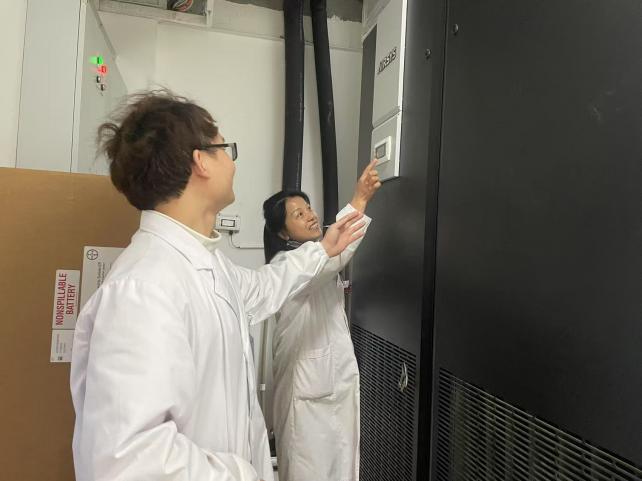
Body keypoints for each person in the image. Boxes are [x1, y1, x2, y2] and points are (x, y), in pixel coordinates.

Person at [69, 90, 365, 481]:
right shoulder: (143, 288)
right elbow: (127, 461)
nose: (232, 163)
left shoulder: (205, 264)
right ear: (201, 161)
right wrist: (242, 474)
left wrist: (323, 249)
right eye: (225, 149)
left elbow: (265, 286)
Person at [262, 160, 381, 481]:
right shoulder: (289, 263)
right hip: (309, 392)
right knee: (310, 469)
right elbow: (336, 255)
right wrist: (359, 200)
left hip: (326, 386)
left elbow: (329, 261)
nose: (311, 216)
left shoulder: (312, 256)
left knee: (336, 464)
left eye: (309, 208)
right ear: (283, 232)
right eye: (298, 214)